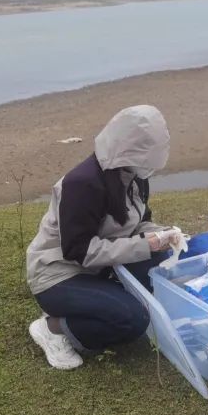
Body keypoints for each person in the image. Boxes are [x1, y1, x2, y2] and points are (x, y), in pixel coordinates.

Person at [25, 105, 180, 369]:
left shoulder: (133, 174)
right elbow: (78, 251)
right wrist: (145, 244)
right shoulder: (82, 184)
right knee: (134, 320)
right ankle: (52, 328)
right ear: (132, 150)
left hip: (98, 268)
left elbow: (138, 224)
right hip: (58, 275)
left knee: (162, 259)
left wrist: (163, 235)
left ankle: (103, 301)